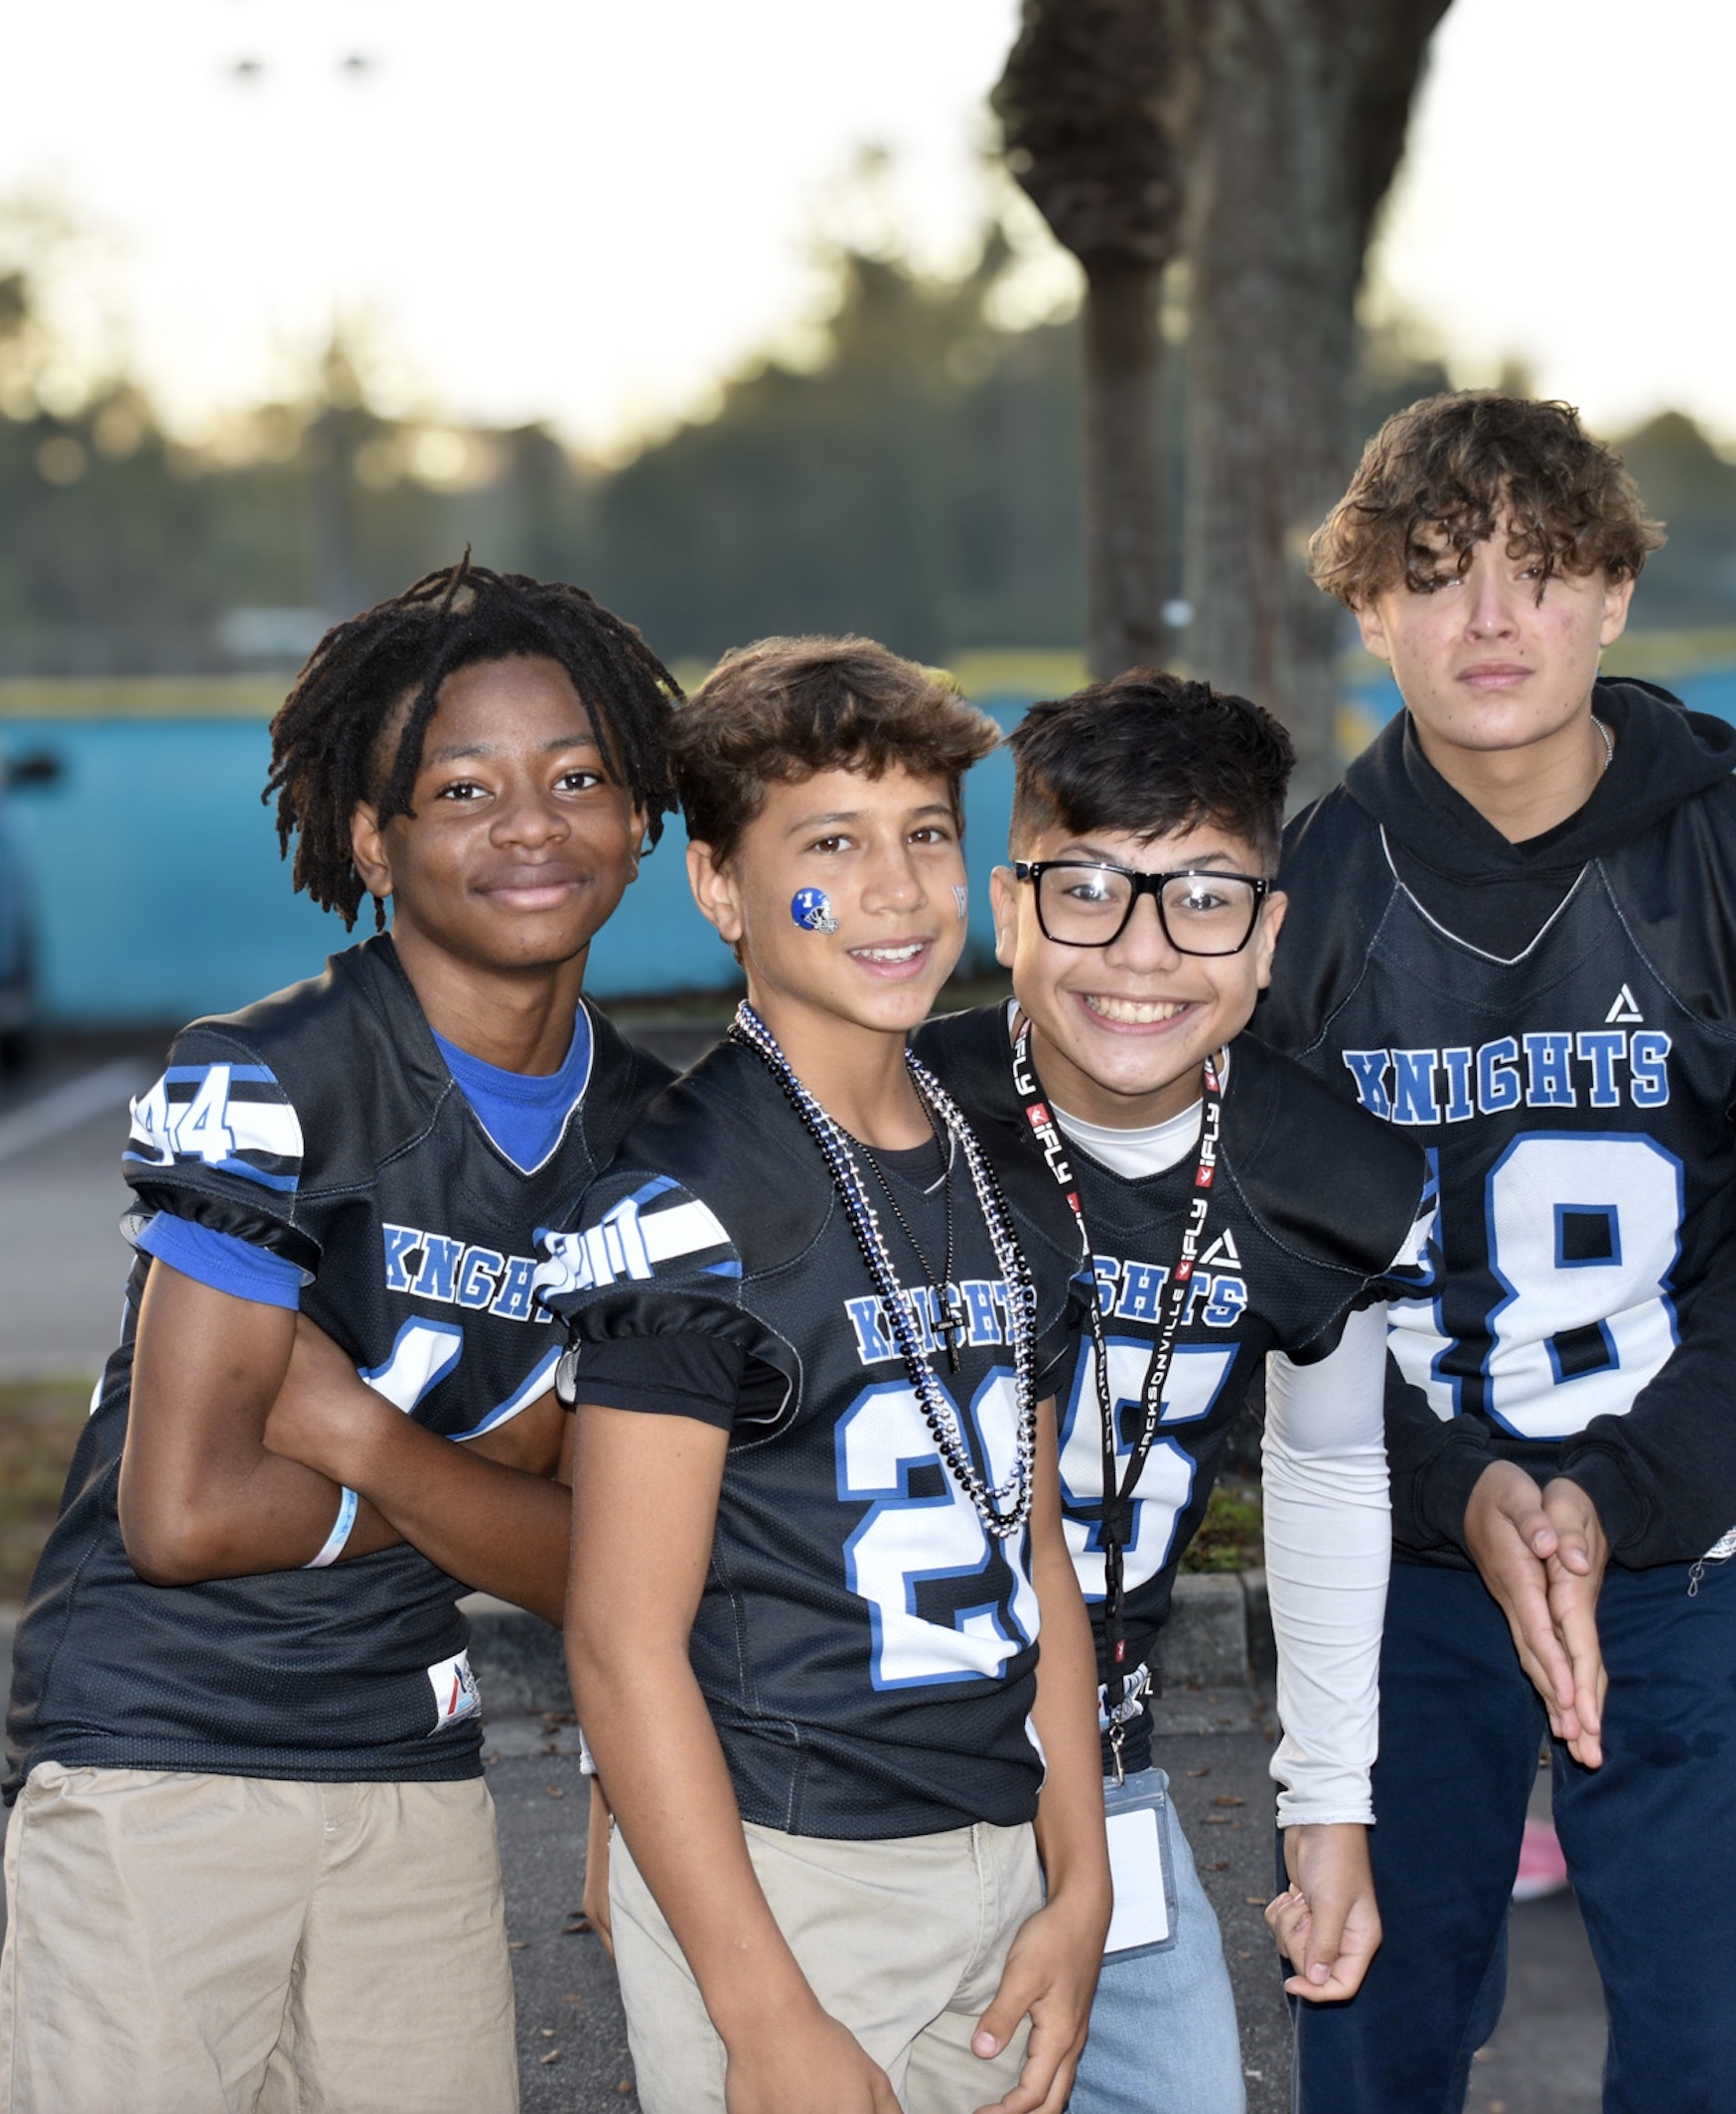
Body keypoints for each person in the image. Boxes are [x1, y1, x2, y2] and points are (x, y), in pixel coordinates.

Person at [1257, 391, 1736, 2113]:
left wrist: (1612, 1495)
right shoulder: (1286, 908)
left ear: (1613, 595)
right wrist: (1461, 1485)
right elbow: (1275, 1289)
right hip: (1392, 1556)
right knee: (1375, 2048)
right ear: (1365, 606)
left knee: (1711, 2070)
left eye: (1538, 571)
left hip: (1692, 1546)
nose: (1488, 618)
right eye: (1435, 572)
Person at [0, 560, 682, 2114]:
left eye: (579, 777)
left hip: (406, 1756)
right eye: (461, 789)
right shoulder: (266, 1079)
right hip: (163, 1753)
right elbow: (182, 1517)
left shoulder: (659, 1141)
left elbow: (607, 1563)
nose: (530, 825)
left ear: (642, 819)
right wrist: (483, 1484)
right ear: (372, 842)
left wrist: (365, 1434)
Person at [554, 637, 1110, 2114]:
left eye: (925, 836)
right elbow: (619, 1640)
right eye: (830, 844)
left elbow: (1036, 1551)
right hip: (792, 1875)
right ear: (723, 887)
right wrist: (763, 2016)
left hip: (998, 1850)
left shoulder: (1000, 1157)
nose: (891, 889)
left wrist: (1082, 1880)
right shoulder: (681, 1200)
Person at [910, 669, 1433, 2114]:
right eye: (1086, 890)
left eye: (1201, 898)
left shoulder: (1326, 1176)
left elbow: (1327, 1474)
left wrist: (1327, 1803)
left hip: (1110, 1781)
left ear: (1269, 935)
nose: (1139, 953)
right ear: (1006, 910)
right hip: (856, 1780)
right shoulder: (885, 1118)